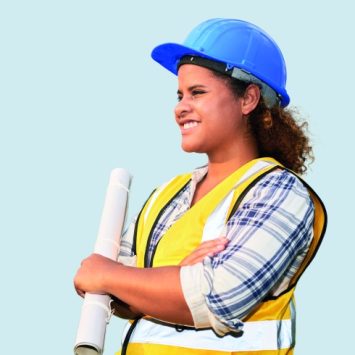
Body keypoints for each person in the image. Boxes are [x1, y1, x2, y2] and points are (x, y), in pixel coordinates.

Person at [74, 18, 327, 355]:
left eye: (197, 92)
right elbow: (113, 295)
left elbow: (218, 298)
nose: (181, 107)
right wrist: (173, 279)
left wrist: (115, 277)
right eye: (180, 94)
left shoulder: (280, 192)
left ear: (248, 99)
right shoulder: (166, 196)